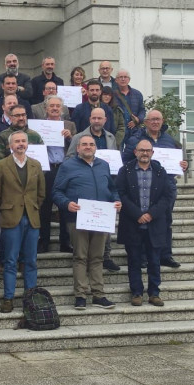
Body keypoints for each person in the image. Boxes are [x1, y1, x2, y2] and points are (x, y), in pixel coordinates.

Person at [53, 135, 120, 310]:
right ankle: (80, 295)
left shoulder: (103, 165)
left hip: (101, 219)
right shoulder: (67, 166)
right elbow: (57, 192)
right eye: (84, 144)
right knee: (81, 257)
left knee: (97, 257)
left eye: (91, 144)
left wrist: (116, 200)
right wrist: (67, 204)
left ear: (95, 147)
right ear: (77, 148)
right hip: (78, 219)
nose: (88, 147)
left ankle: (98, 295)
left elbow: (112, 189)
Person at [122, 109, 189, 268]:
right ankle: (143, 256)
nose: (155, 122)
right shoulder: (136, 139)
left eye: (158, 119)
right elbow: (125, 161)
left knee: (165, 220)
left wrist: (184, 165)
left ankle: (165, 255)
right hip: (143, 186)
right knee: (144, 220)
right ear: (145, 122)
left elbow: (181, 160)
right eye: (152, 119)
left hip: (166, 187)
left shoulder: (169, 139)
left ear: (162, 120)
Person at [0, 130, 45, 313]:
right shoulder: (1, 165)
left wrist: (32, 207)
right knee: (10, 261)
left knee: (30, 261)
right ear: (10, 145)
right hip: (11, 217)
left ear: (27, 144)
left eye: (23, 141)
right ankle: (8, 298)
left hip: (31, 218)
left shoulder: (36, 165)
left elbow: (41, 193)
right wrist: (6, 208)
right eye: (17, 141)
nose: (21, 144)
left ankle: (30, 298)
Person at [116, 139, 172, 307]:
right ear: (135, 152)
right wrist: (138, 214)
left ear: (152, 153)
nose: (145, 153)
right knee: (133, 261)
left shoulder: (161, 171)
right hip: (133, 224)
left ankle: (154, 293)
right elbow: (120, 193)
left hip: (154, 224)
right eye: (141, 150)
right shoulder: (125, 170)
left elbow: (167, 197)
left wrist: (151, 214)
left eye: (148, 150)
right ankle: (137, 293)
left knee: (154, 261)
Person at [68, 107, 120, 272]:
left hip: (105, 181)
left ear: (105, 120)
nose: (97, 121)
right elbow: (68, 157)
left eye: (100, 118)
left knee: (105, 222)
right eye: (94, 118)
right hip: (85, 184)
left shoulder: (110, 137)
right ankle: (90, 259)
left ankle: (107, 256)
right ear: (90, 119)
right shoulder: (78, 137)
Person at [38, 96, 76, 254]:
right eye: (51, 106)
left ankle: (65, 242)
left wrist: (70, 137)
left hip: (64, 168)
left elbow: (77, 147)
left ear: (62, 109)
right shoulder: (38, 125)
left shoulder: (70, 125)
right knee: (45, 206)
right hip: (46, 169)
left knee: (65, 206)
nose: (54, 108)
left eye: (57, 106)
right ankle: (43, 242)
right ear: (46, 108)